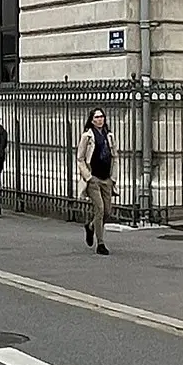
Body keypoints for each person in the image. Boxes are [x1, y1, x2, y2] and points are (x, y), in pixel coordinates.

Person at [76, 107, 114, 254]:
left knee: (108, 212)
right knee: (100, 209)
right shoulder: (87, 136)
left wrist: (113, 177)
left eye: (102, 117)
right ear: (92, 120)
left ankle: (91, 226)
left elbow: (114, 156)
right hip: (94, 178)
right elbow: (80, 158)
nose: (100, 119)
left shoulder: (109, 135)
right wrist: (88, 176)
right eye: (97, 117)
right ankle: (101, 243)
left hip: (106, 178)